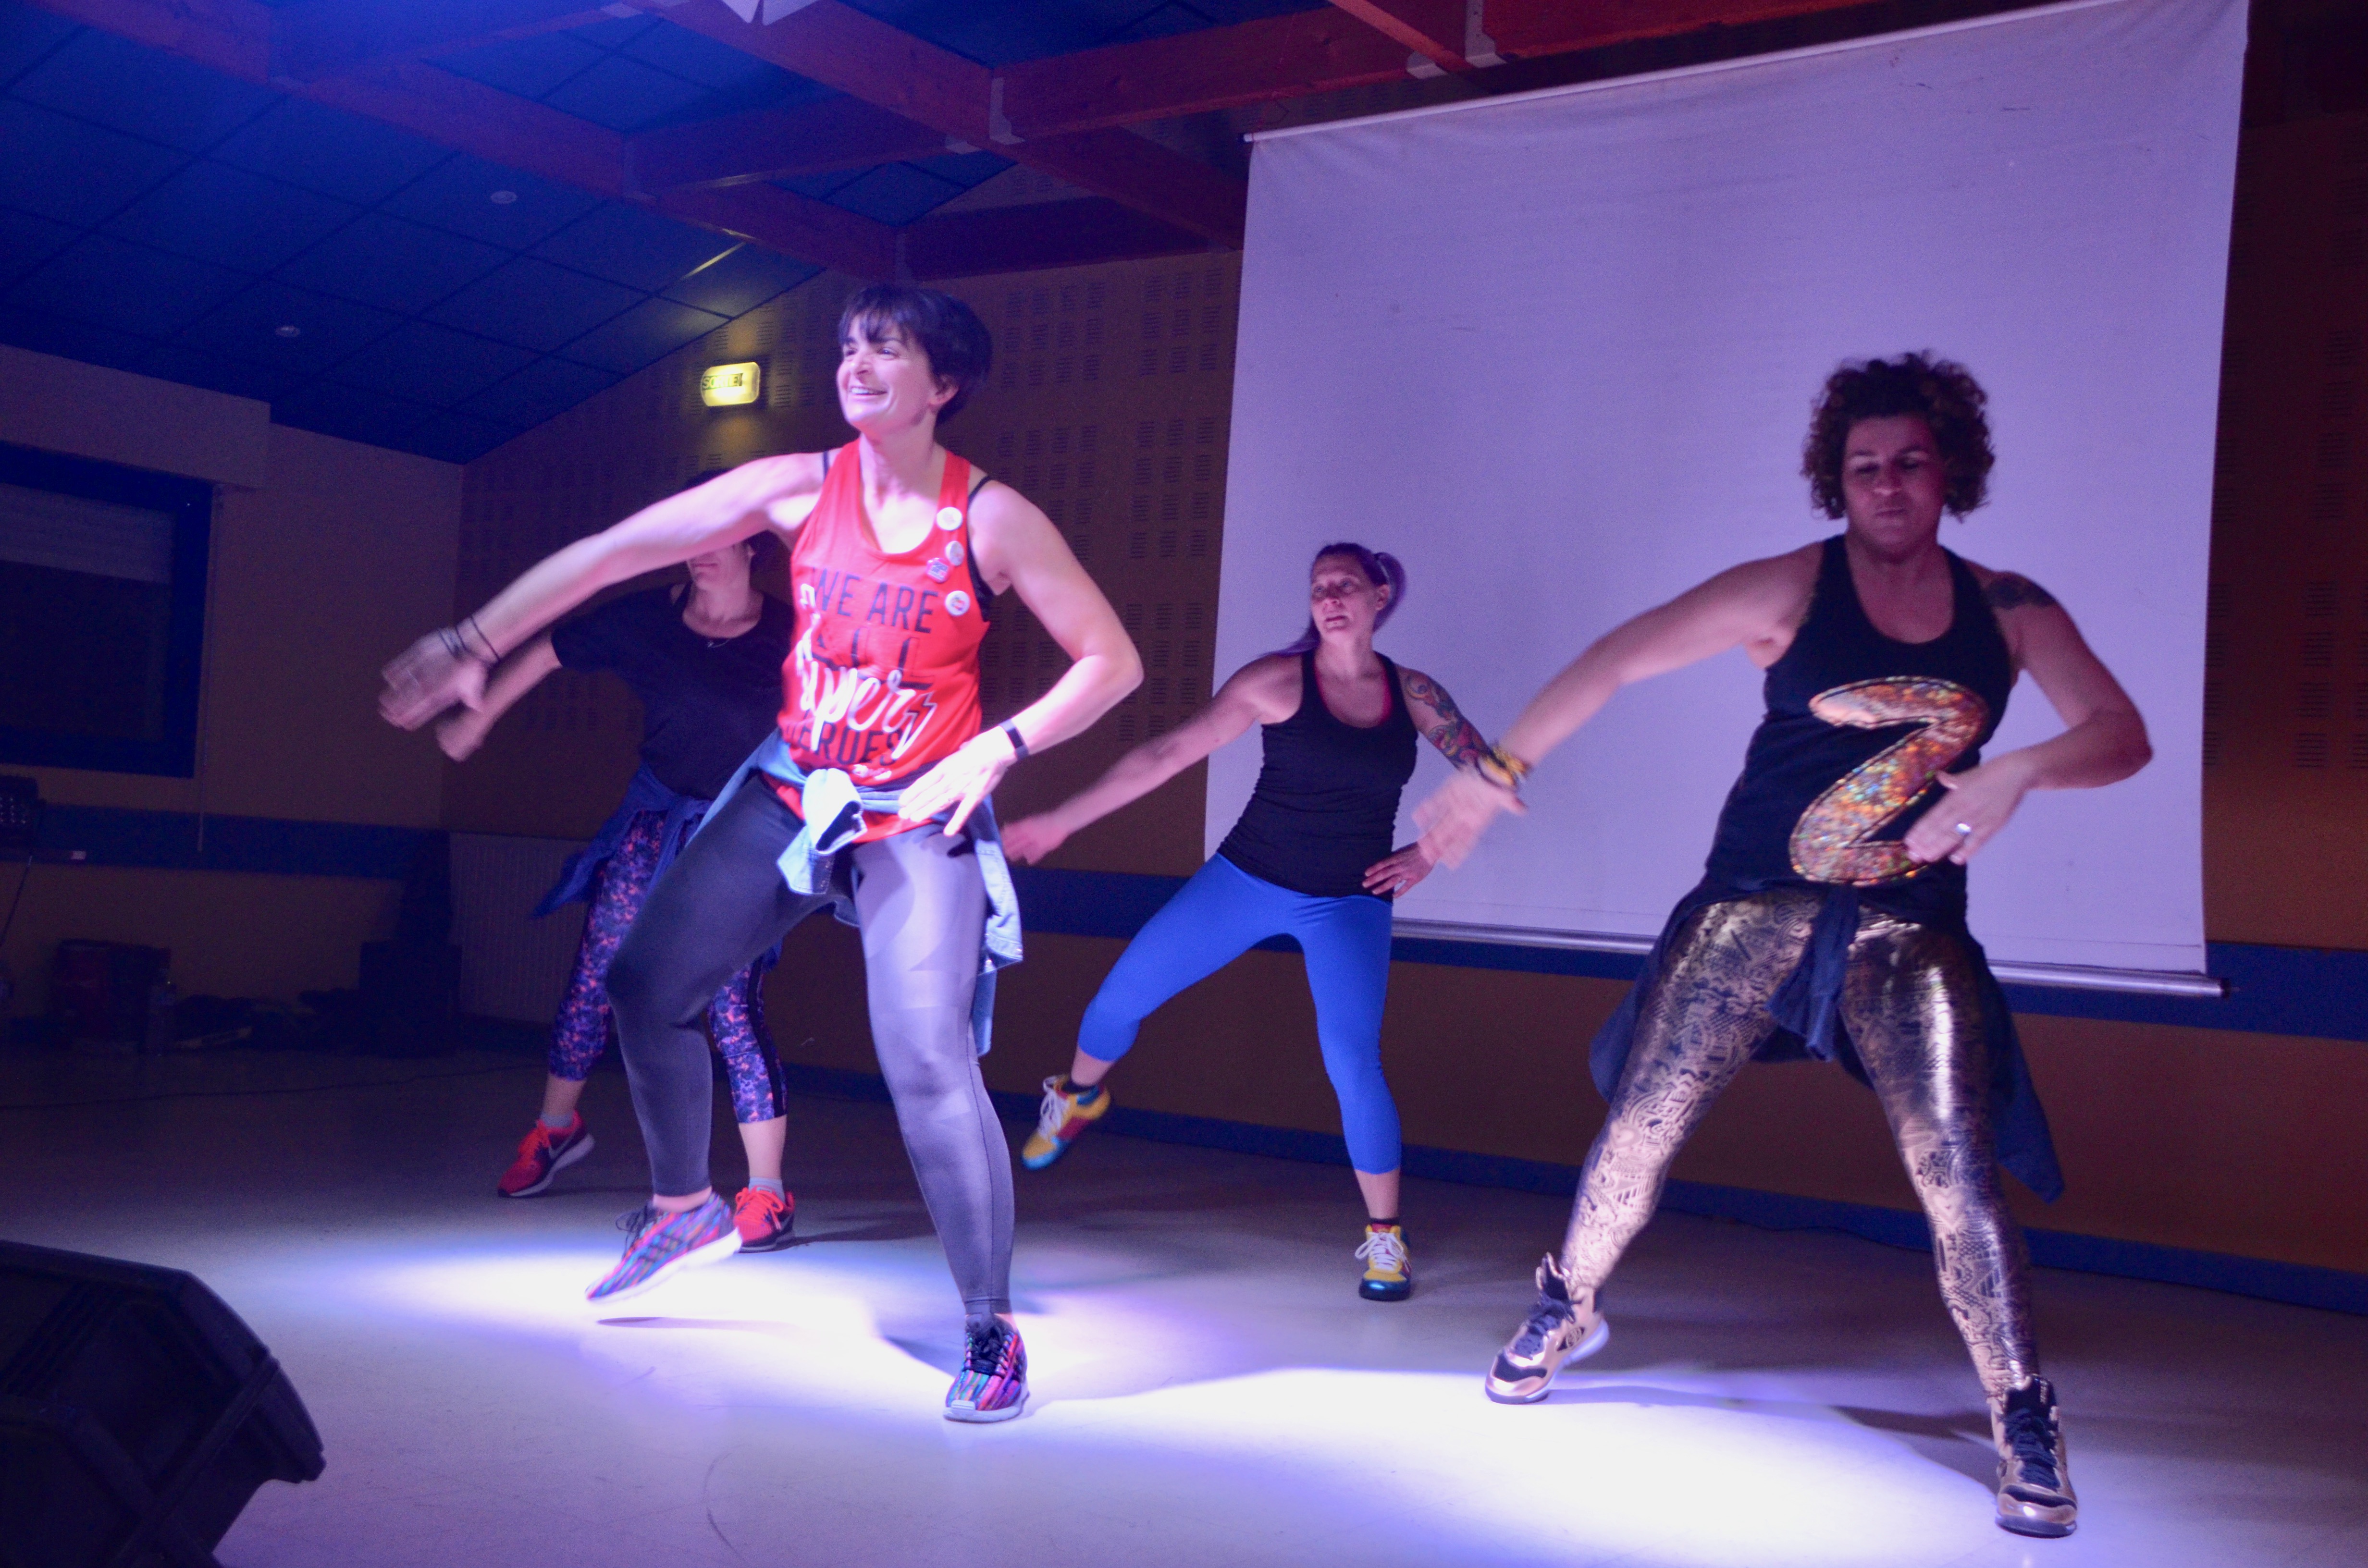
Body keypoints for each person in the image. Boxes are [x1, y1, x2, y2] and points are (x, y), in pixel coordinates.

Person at [1417, 354, 2150, 1539]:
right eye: (1865, 468)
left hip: (1909, 928)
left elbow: (2121, 734)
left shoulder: (2009, 609)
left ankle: (2023, 1408)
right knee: (1642, 1126)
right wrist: (1491, 774)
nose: (1888, 485)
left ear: (1949, 469)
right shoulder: (1790, 590)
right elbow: (1618, 657)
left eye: (1909, 462)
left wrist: (2018, 770)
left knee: (1955, 1167)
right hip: (1753, 905)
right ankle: (1567, 1299)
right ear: (1836, 481)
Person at [381, 285, 1140, 1423]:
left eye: (886, 348)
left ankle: (991, 1330)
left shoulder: (991, 519)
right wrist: (472, 640)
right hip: (795, 787)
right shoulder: (794, 487)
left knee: (926, 1059)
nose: (856, 364)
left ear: (943, 385)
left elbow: (1112, 662)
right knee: (646, 986)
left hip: (914, 807)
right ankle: (685, 1207)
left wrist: (1000, 747)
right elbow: (610, 553)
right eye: (847, 346)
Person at [1003, 543, 1491, 1302]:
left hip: (1349, 900)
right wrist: (1062, 820)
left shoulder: (1415, 693)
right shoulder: (1274, 681)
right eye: (1319, 588)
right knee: (1118, 999)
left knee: (1353, 1064)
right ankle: (1079, 1096)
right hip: (1246, 880)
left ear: (1380, 595)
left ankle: (1386, 1242)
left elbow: (1487, 773)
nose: (1330, 598)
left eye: (1345, 585)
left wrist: (1430, 851)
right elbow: (1166, 754)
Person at [435, 515, 800, 1253]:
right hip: (656, 814)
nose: (698, 554)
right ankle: (556, 1129)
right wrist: (480, 715)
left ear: (750, 546)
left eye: (716, 539)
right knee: (598, 977)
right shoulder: (648, 619)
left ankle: (767, 1191)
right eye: (690, 541)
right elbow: (549, 648)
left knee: (731, 1004)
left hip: (743, 831)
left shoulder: (790, 631)